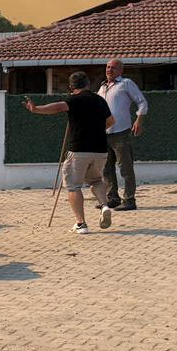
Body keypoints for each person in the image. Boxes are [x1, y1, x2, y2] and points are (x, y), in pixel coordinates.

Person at [25, 71, 115, 235]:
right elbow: (111, 122)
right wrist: (95, 129)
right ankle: (104, 206)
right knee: (96, 180)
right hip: (100, 150)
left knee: (73, 186)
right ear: (88, 84)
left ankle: (81, 224)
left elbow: (58, 107)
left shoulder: (73, 100)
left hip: (79, 150)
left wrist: (36, 109)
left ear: (71, 87)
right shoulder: (100, 100)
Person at [97, 59, 148, 211]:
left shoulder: (126, 83)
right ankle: (112, 198)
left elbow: (142, 102)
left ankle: (129, 200)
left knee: (125, 168)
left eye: (113, 67)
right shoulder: (102, 87)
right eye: (107, 67)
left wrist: (139, 120)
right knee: (106, 169)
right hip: (103, 134)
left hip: (121, 133)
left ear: (121, 70)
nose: (109, 70)